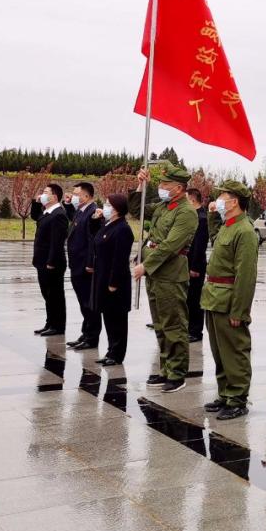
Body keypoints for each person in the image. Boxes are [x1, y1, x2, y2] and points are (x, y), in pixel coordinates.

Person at [133, 163, 199, 393]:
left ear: (179, 188)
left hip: (170, 274)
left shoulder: (186, 212)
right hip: (156, 273)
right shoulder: (164, 206)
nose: (160, 187)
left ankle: (178, 373)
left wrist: (145, 266)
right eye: (160, 183)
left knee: (174, 325)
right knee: (160, 325)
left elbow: (171, 245)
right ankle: (166, 369)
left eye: (165, 184)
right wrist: (141, 185)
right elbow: (137, 210)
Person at [201, 181, 260, 420]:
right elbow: (214, 236)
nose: (220, 200)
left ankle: (237, 398)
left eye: (223, 197)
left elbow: (245, 275)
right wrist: (213, 215)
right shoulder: (229, 225)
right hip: (214, 298)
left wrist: (239, 311)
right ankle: (225, 392)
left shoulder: (245, 231)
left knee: (234, 351)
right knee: (219, 351)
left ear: (235, 201)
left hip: (228, 300)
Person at [89, 194, 134, 366]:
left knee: (117, 320)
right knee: (108, 317)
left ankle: (117, 354)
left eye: (108, 205)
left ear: (117, 209)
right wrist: (95, 218)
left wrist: (114, 282)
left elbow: (119, 259)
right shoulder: (108, 225)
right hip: (102, 278)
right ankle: (110, 351)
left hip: (115, 282)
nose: (105, 207)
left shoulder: (122, 229)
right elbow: (94, 236)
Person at [65, 181, 103, 351]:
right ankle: (85, 333)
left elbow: (92, 241)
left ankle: (92, 337)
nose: (73, 196)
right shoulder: (81, 211)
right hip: (76, 264)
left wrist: (90, 263)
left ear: (86, 196)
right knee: (83, 302)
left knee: (89, 303)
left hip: (85, 266)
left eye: (76, 194)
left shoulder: (93, 213)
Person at [33, 183, 69, 337]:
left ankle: (58, 326)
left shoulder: (59, 214)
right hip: (42, 261)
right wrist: (36, 202)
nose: (43, 194)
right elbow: (35, 216)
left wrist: (51, 262)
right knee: (47, 294)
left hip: (52, 263)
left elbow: (57, 241)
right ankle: (50, 322)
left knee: (55, 295)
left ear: (54, 197)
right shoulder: (47, 212)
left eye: (46, 192)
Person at [186, 188, 209, 344]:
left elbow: (199, 246)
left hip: (196, 265)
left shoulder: (201, 218)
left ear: (192, 200)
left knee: (195, 299)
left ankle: (195, 331)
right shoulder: (194, 216)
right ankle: (189, 328)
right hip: (189, 262)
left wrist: (194, 267)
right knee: (188, 298)